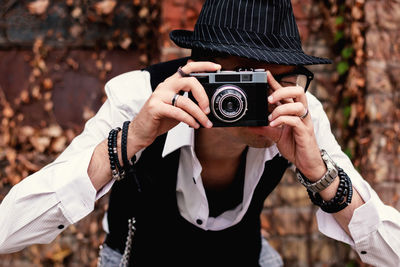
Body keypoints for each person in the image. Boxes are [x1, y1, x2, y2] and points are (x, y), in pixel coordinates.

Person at [0, 0, 399, 266]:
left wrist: (322, 176)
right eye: (246, 82)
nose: (264, 98)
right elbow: (7, 230)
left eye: (279, 79)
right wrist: (131, 139)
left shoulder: (300, 113)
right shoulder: (139, 96)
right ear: (201, 72)